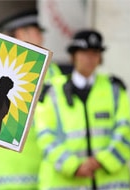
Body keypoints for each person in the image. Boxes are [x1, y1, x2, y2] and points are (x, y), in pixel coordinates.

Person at [0, 9, 62, 190]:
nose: (42, 37)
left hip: (42, 176)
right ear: (21, 34)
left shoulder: (53, 74)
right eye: (37, 32)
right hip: (4, 174)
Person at [34, 29, 130, 189]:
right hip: (65, 181)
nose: (89, 58)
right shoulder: (52, 92)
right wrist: (73, 166)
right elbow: (45, 135)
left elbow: (125, 128)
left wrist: (102, 160)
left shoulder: (114, 89)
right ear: (73, 56)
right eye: (84, 53)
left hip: (108, 182)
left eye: (95, 53)